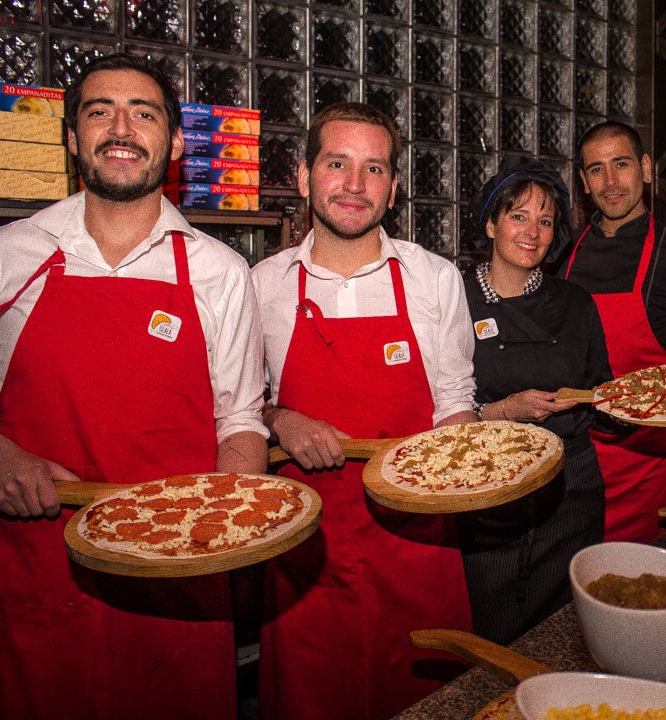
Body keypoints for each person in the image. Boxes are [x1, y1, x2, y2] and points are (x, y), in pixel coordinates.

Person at [0, 54, 268, 720]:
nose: (121, 128)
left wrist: (227, 533)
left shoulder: (218, 271)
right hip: (37, 571)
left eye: (144, 112)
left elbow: (241, 420)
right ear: (71, 137)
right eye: (100, 111)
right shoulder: (8, 252)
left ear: (176, 141)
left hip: (175, 581)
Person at [250, 102, 476, 720]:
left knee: (427, 700)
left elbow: (456, 406)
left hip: (417, 540)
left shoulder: (432, 279)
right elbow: (240, 408)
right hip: (305, 545)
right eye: (337, 164)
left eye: (373, 169)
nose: (354, 185)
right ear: (304, 177)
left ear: (394, 188)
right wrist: (281, 419)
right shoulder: (262, 284)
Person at [457, 156, 612, 645]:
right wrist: (502, 412)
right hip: (487, 493)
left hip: (570, 492)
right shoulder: (452, 298)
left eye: (545, 221)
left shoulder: (574, 303)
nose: (533, 231)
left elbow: (601, 393)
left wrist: (646, 404)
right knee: (489, 633)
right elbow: (430, 409)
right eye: (519, 216)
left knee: (562, 636)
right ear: (490, 222)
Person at [562, 121, 666, 543]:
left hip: (651, 463)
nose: (610, 182)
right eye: (596, 169)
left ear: (646, 169)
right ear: (583, 182)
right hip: (575, 461)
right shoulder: (561, 254)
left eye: (621, 164)